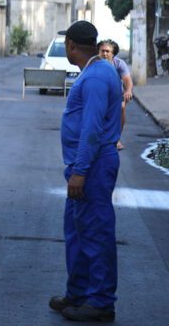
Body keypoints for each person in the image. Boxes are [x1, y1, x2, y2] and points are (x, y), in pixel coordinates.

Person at [49, 20, 122, 323]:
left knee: (95, 232)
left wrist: (80, 171)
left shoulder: (94, 78)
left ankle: (101, 301)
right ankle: (78, 293)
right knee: (77, 231)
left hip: (92, 165)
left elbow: (91, 129)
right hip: (87, 164)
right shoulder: (99, 71)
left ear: (71, 46)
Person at [97, 39, 133, 151]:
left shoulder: (118, 64)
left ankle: (116, 138)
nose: (104, 54)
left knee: (122, 107)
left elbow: (127, 80)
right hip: (99, 94)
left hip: (117, 95)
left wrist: (128, 91)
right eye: (102, 51)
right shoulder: (94, 63)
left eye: (107, 51)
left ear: (113, 53)